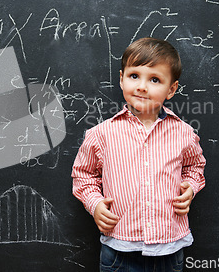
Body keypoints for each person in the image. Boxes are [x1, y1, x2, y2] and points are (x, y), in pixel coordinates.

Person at [72, 37, 206, 272]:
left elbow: (195, 166)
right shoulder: (100, 134)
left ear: (171, 89)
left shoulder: (184, 133)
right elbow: (83, 175)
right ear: (122, 79)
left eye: (155, 79)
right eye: (135, 76)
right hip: (119, 250)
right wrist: (95, 205)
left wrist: (190, 188)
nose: (142, 86)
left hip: (169, 248)